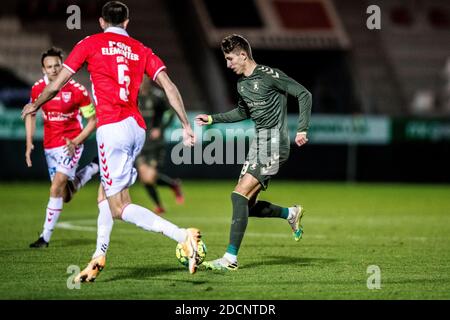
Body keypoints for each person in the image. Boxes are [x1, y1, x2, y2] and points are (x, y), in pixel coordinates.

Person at [22, 1, 203, 278]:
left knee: (119, 207)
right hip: (136, 127)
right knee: (105, 194)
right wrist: (185, 123)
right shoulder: (141, 49)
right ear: (127, 22)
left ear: (102, 22)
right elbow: (168, 84)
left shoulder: (90, 43)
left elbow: (57, 83)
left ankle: (182, 235)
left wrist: (36, 104)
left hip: (112, 127)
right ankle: (97, 257)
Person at [195, 34, 312, 271]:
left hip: (275, 144)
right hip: (258, 145)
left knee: (238, 195)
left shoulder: (270, 75)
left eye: (229, 59)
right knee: (246, 205)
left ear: (242, 55)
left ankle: (230, 259)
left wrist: (302, 128)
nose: (228, 64)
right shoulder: (241, 84)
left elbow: (304, 94)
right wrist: (212, 118)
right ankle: (291, 213)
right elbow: (242, 113)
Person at [25, 47, 99, 248]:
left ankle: (45, 238)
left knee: (56, 187)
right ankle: (91, 169)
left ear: (63, 66)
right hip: (50, 146)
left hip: (71, 146)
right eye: (49, 66)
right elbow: (31, 113)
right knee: (65, 195)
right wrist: (29, 141)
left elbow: (93, 121)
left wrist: (76, 141)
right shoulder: (37, 89)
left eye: (57, 65)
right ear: (43, 69)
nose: (54, 70)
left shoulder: (77, 91)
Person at [136, 78, 184, 215]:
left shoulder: (157, 96)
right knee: (144, 176)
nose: (141, 80)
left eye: (144, 77)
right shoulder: (134, 95)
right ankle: (159, 204)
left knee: (150, 176)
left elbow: (170, 113)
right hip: (140, 141)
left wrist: (160, 128)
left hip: (155, 143)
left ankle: (172, 185)